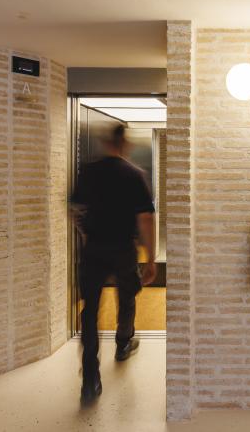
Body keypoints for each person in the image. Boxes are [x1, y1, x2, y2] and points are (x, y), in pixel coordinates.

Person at [70, 124, 157, 404]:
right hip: (122, 248)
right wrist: (150, 258)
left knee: (90, 311)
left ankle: (90, 379)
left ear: (107, 143)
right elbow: (146, 219)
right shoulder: (134, 174)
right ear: (124, 144)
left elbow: (76, 210)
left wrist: (87, 237)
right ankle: (123, 343)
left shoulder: (88, 172)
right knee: (127, 295)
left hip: (94, 248)